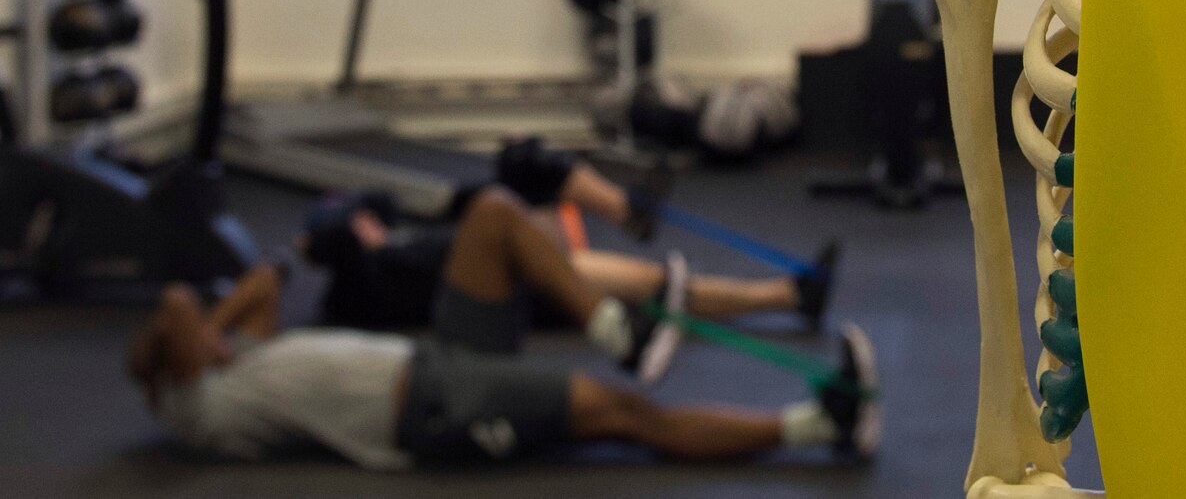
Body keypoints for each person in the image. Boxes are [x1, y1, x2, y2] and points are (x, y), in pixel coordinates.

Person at [125, 258, 879, 469]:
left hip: (439, 368)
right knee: (631, 417)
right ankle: (817, 426)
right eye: (196, 345)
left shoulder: (233, 361)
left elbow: (262, 277)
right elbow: (176, 301)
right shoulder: (202, 408)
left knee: (629, 416)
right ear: (176, 367)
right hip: (435, 406)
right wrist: (205, 330)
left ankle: (817, 424)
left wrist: (223, 331)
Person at [301, 139, 838, 344]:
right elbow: (325, 239)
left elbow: (368, 201)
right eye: (358, 230)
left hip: (508, 236)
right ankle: (789, 295)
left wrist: (360, 221)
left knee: (526, 163)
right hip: (525, 279)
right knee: (655, 286)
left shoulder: (386, 235)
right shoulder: (363, 285)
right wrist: (349, 237)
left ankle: (628, 211)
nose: (368, 223)